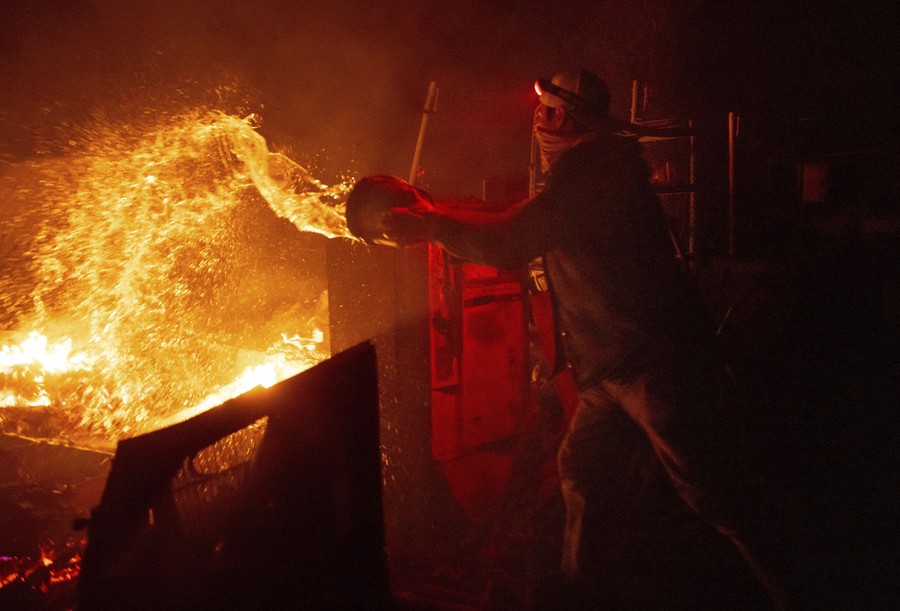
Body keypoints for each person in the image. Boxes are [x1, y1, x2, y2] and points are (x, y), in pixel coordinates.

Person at [347, 70, 797, 609]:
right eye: (542, 108)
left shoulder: (596, 171)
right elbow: (513, 221)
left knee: (714, 492)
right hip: (609, 368)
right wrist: (434, 215)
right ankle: (584, 595)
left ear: (574, 119)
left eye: (553, 109)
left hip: (653, 358)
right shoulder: (580, 171)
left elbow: (514, 238)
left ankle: (800, 586)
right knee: (584, 476)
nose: (542, 117)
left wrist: (433, 227)